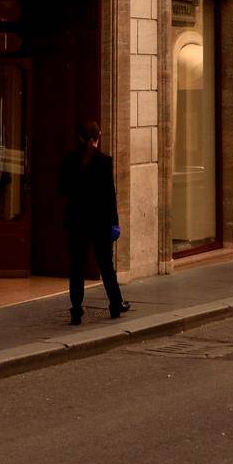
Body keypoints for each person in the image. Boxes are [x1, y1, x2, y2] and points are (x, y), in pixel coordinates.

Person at [58, 121, 129, 325]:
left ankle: (77, 310)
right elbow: (110, 195)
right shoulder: (104, 161)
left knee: (77, 267)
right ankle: (115, 304)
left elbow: (62, 189)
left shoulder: (69, 161)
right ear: (98, 137)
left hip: (77, 221)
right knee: (106, 265)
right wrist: (114, 222)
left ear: (80, 138)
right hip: (100, 222)